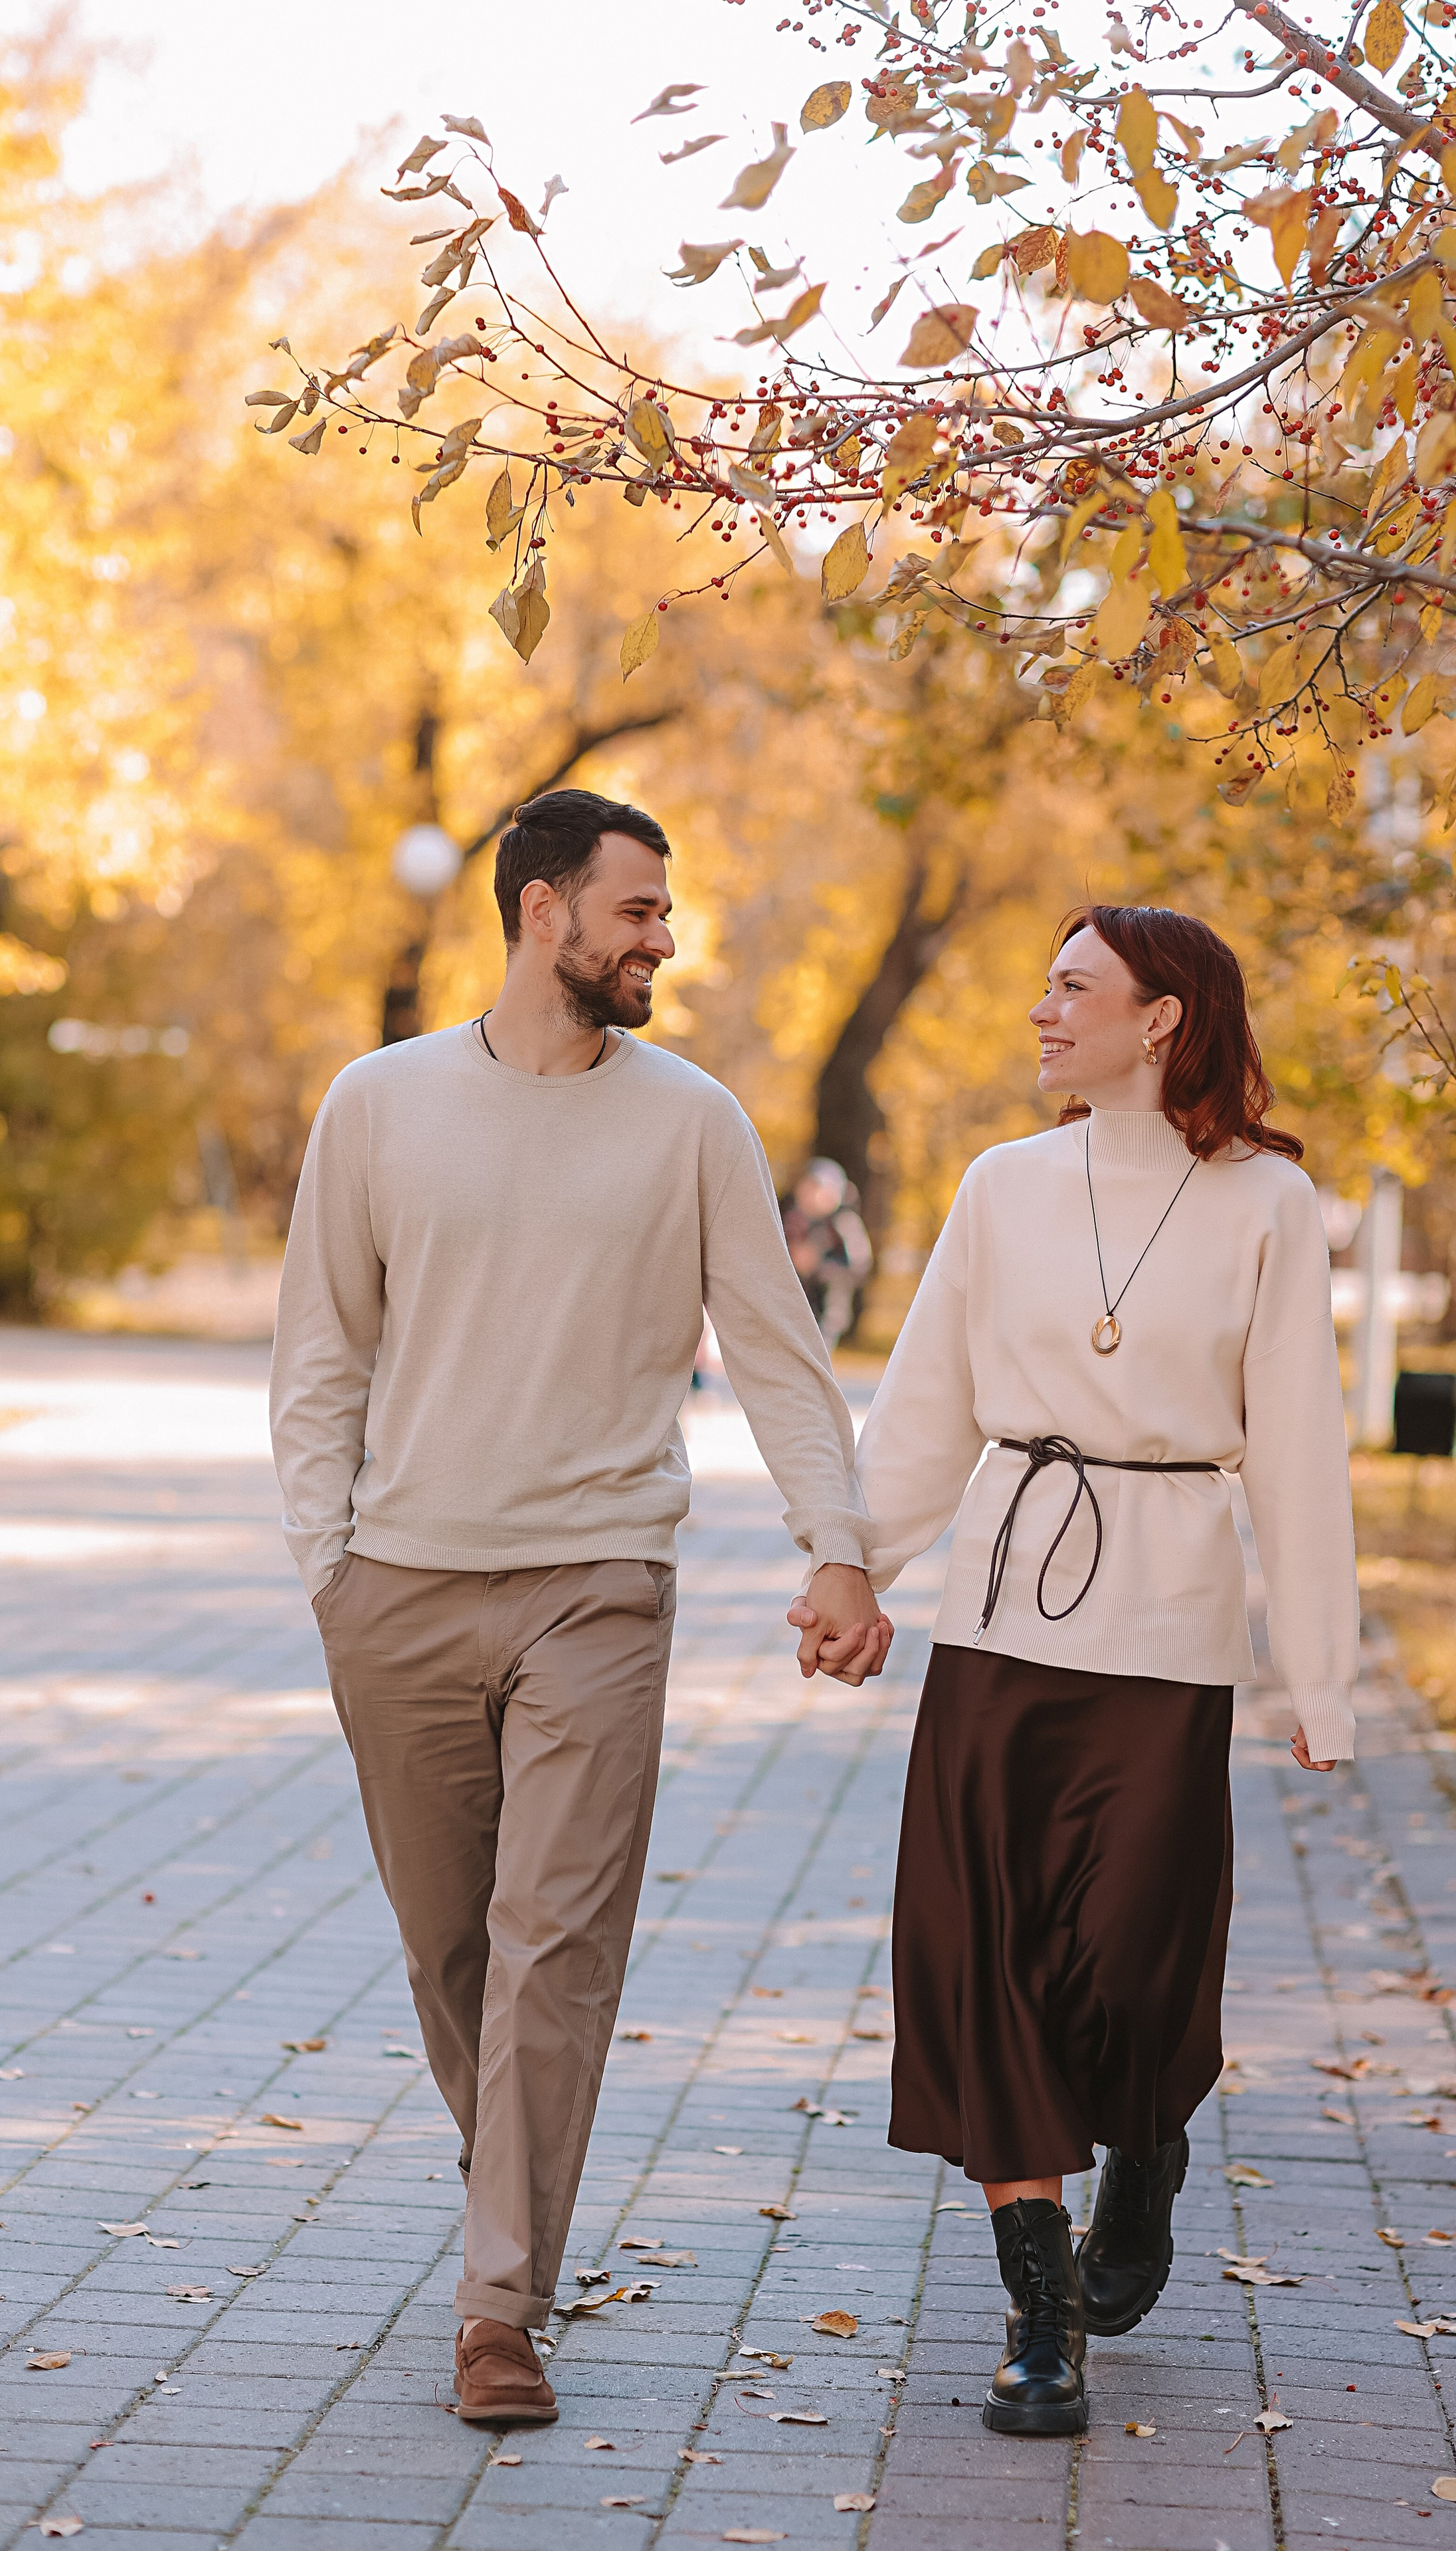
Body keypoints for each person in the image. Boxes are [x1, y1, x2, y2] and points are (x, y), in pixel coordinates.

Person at [271, 788, 889, 2427]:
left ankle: (496, 2308)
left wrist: (837, 1544)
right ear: (543, 911)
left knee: (553, 1948)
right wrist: (325, 1569)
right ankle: (521, 2212)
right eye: (635, 910)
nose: (660, 940)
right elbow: (322, 1349)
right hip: (395, 1587)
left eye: (664, 913)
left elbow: (775, 1348)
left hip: (598, 1587)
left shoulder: (690, 1119)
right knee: (450, 1951)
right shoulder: (378, 1101)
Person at [793, 904, 1358, 2437]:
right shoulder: (999, 1185)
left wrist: (1316, 1672)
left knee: (1129, 1964)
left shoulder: (1264, 1205)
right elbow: (923, 1408)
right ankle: (1040, 2320)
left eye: (1071, 985)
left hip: (1165, 1624)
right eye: (1042, 982)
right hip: (995, 1626)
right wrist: (849, 1564)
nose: (1040, 1009)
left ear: (1161, 1014)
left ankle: (1148, 2145)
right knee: (988, 1966)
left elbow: (1299, 1448)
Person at [782, 1157, 875, 1351]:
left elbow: (859, 1264)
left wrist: (821, 1265)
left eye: (816, 1188)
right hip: (796, 1300)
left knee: (819, 1347)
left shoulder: (843, 1223)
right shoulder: (792, 1218)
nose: (809, 1194)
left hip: (829, 1304)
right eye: (806, 1187)